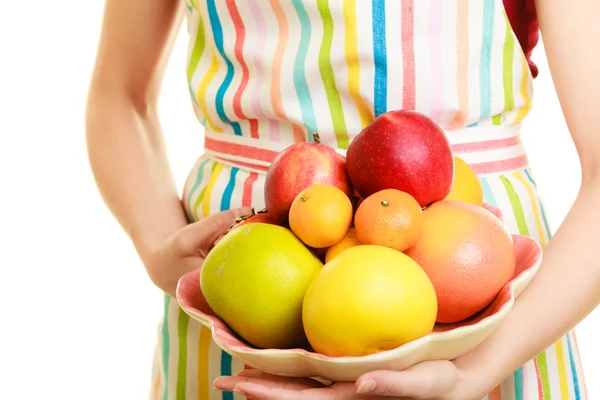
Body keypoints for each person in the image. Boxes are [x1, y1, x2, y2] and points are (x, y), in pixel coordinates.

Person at [85, 0, 599, 398]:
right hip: (244, 286)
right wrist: (157, 247)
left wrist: (479, 367)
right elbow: (120, 96)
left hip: (494, 311)